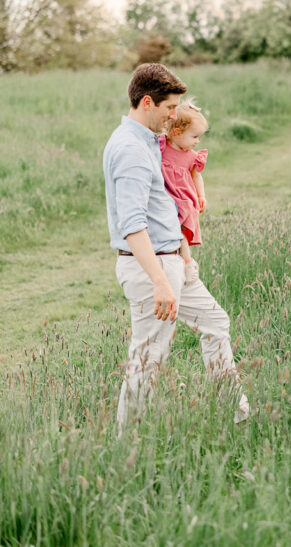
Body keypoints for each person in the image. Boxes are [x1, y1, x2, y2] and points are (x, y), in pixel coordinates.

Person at [102, 63, 249, 435]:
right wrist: (160, 282)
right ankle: (128, 442)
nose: (173, 117)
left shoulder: (149, 141)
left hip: (173, 263)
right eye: (169, 108)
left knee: (216, 323)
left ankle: (236, 414)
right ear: (148, 102)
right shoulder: (131, 150)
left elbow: (164, 203)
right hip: (152, 268)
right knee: (149, 357)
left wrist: (184, 253)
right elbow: (132, 225)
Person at [158, 99, 209, 284]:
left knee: (182, 226)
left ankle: (187, 261)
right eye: (194, 137)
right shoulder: (162, 146)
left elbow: (196, 177)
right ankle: (180, 258)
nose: (197, 141)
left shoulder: (192, 157)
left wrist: (201, 195)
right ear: (177, 133)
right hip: (165, 195)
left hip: (183, 197)